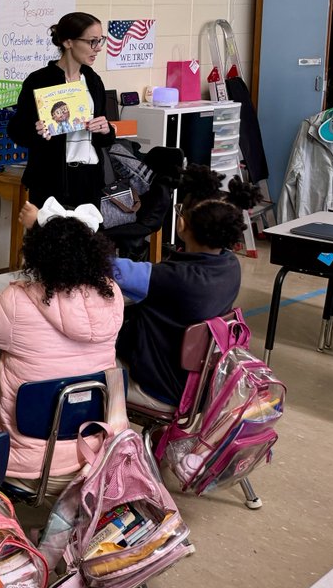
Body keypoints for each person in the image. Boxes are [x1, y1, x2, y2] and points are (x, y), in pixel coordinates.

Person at [0, 199, 122, 497]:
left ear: (36, 255)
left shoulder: (17, 304)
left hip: (23, 465)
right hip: (93, 453)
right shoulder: (112, 296)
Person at [112, 164, 264, 407]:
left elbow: (109, 267)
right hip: (198, 386)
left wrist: (46, 224)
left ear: (182, 225)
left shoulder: (173, 278)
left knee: (82, 355)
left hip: (161, 388)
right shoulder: (230, 266)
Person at [9, 12, 116, 208]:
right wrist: (36, 130)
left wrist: (106, 129)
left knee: (88, 237)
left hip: (89, 177)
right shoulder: (39, 81)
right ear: (68, 42)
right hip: (51, 181)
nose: (98, 48)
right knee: (50, 237)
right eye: (92, 41)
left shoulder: (93, 80)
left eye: (101, 40)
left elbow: (105, 139)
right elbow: (16, 131)